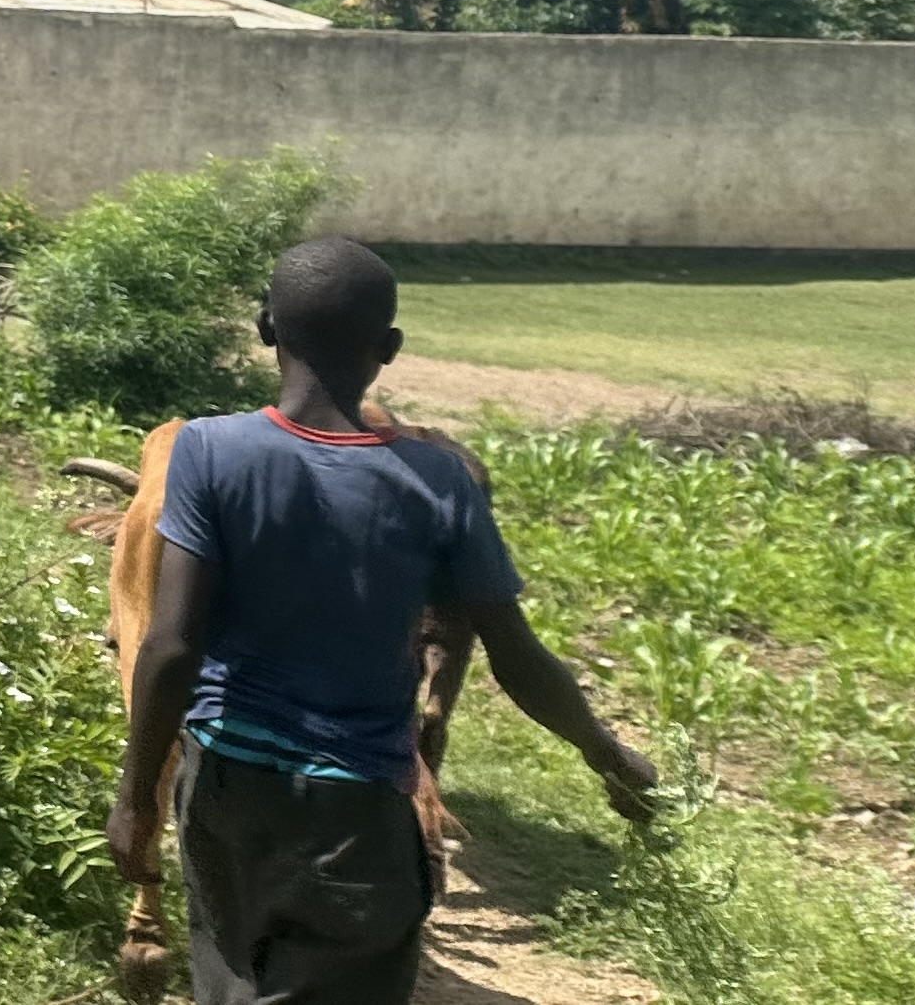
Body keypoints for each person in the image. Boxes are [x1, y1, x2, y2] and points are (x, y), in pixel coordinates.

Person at [106, 237, 658, 1005]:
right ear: (389, 348)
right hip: (360, 817)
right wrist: (609, 755)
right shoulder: (441, 482)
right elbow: (516, 657)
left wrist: (136, 798)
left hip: (225, 798)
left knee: (232, 983)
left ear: (267, 328)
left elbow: (171, 646)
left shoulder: (206, 451)